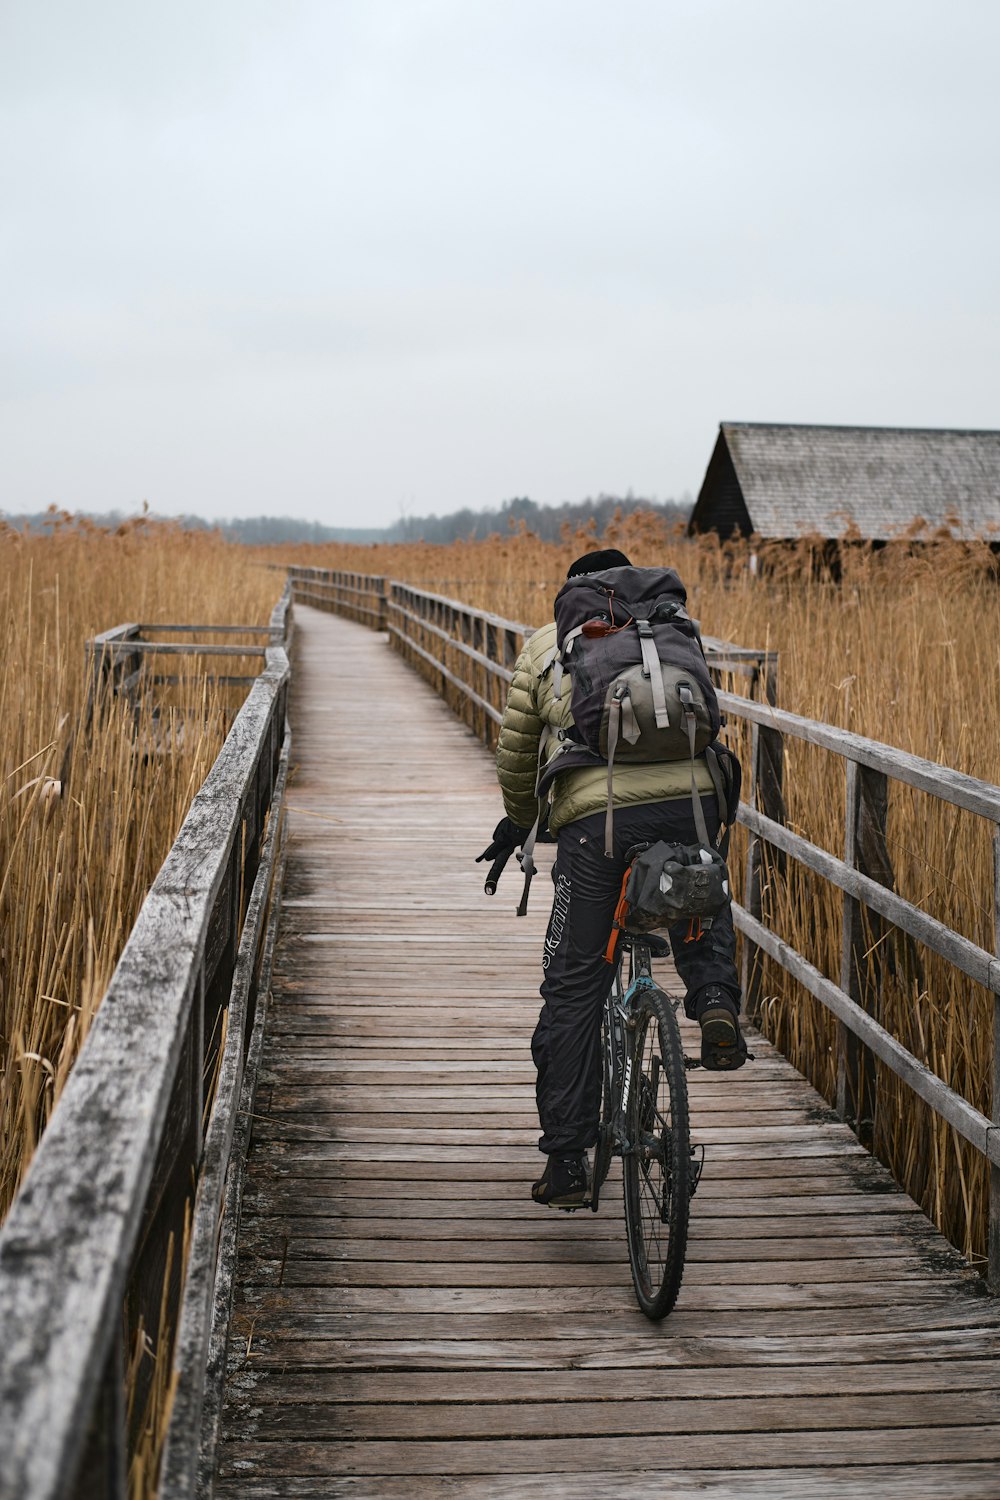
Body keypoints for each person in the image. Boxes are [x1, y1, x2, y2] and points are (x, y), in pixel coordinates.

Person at [481, 548, 746, 1210]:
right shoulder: (669, 631)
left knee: (573, 986)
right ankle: (713, 996)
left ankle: (567, 1161)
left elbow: (516, 752)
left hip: (597, 827)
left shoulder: (550, 643)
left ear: (573, 591)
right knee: (698, 876)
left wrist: (518, 822)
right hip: (691, 802)